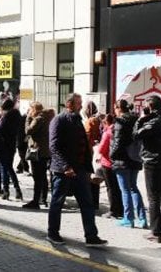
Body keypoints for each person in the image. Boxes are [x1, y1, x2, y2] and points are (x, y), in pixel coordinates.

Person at [46, 93, 107, 247]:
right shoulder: (59, 120)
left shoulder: (78, 120)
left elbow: (84, 146)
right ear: (69, 104)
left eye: (81, 103)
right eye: (78, 103)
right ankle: (53, 233)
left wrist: (89, 169)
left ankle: (91, 236)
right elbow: (54, 146)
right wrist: (65, 166)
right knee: (57, 202)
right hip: (63, 171)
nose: (81, 106)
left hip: (80, 170)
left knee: (87, 203)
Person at [135, 95, 161, 244]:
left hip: (153, 162)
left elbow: (136, 135)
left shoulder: (153, 122)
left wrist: (141, 118)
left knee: (153, 197)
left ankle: (156, 231)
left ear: (150, 106)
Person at [110, 99, 145, 227]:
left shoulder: (120, 121)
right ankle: (142, 218)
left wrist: (112, 155)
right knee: (133, 187)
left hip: (122, 158)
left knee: (125, 190)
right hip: (135, 157)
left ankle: (128, 218)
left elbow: (117, 141)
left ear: (118, 108)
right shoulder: (136, 120)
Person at [22, 102, 52, 209]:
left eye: (30, 109)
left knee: (37, 176)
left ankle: (36, 200)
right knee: (43, 176)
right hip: (45, 151)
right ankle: (42, 199)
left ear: (34, 109)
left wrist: (28, 119)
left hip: (37, 151)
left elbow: (28, 131)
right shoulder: (47, 118)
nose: (29, 111)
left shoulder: (38, 119)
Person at [0, 98, 23, 201]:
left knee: (4, 168)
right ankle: (17, 190)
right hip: (12, 144)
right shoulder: (18, 115)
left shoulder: (6, 116)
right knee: (9, 167)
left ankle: (6, 190)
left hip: (4, 144)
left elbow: (0, 130)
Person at [98, 113, 124, 219]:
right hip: (116, 162)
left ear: (105, 122)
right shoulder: (116, 130)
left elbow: (101, 149)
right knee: (117, 187)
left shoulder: (107, 132)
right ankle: (120, 210)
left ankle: (113, 210)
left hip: (107, 162)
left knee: (110, 188)